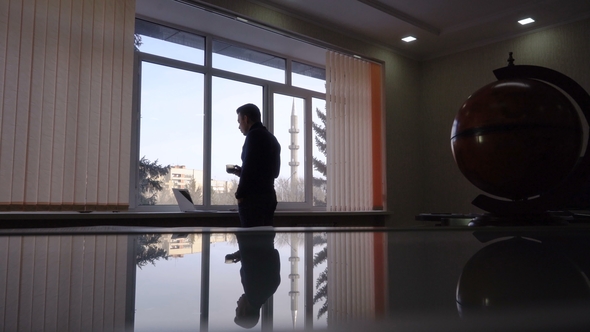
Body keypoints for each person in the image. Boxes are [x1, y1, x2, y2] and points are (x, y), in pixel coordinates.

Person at [228, 103, 281, 228]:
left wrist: (240, 195)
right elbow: (274, 172)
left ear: (246, 119)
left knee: (251, 243)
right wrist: (242, 171)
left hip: (253, 200)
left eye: (239, 121)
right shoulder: (272, 139)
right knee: (265, 241)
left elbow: (249, 168)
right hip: (269, 197)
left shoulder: (253, 136)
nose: (239, 126)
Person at [233, 231, 281, 329]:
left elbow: (274, 254)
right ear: (244, 311)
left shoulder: (269, 290)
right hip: (251, 233)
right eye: (237, 308)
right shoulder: (252, 291)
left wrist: (241, 256)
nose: (237, 303)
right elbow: (249, 255)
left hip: (267, 235)